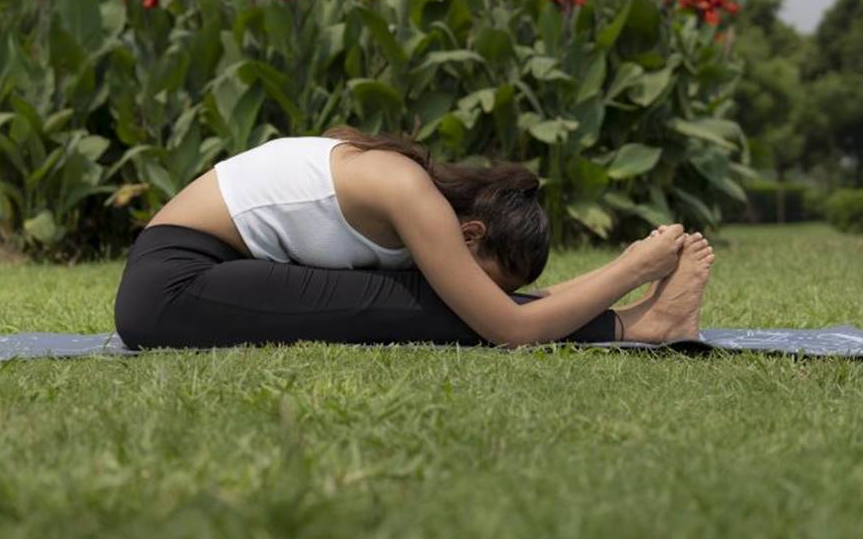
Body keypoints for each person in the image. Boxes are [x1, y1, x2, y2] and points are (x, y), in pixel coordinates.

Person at [113, 126, 715, 350]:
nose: (476, 286)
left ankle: (640, 322)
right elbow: (507, 328)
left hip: (188, 276)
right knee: (438, 312)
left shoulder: (419, 197)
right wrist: (632, 267)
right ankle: (639, 326)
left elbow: (492, 305)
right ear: (471, 232)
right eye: (487, 273)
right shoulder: (412, 196)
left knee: (447, 305)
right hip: (175, 285)